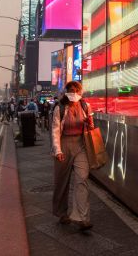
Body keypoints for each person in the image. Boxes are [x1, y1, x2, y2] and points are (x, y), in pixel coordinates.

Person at [51, 81, 94, 230]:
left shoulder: (85, 106)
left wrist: (90, 123)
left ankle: (82, 218)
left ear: (80, 92)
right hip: (64, 145)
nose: (74, 93)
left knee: (82, 179)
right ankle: (62, 213)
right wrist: (58, 151)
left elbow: (91, 128)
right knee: (62, 182)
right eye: (71, 90)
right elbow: (55, 130)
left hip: (81, 145)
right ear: (67, 92)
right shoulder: (60, 108)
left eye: (76, 90)